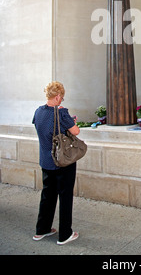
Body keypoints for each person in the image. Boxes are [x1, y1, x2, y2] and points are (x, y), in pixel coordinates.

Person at [32, 81, 80, 245]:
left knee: (47, 195)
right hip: (62, 162)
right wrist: (69, 119)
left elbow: (45, 129)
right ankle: (65, 234)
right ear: (58, 96)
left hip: (45, 161)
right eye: (62, 97)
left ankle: (42, 230)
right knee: (65, 196)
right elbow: (76, 131)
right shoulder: (61, 113)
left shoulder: (38, 112)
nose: (62, 100)